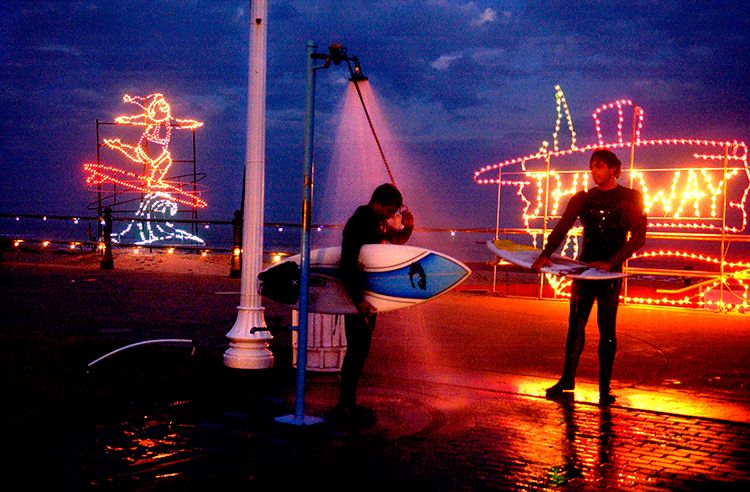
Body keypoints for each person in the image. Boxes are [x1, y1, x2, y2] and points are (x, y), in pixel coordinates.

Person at [531, 148, 647, 405]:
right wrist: (546, 254)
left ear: (614, 170)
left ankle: (604, 388)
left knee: (607, 328)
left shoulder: (630, 198)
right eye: (592, 166)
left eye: (600, 166)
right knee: (575, 325)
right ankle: (567, 380)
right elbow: (562, 226)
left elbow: (639, 237)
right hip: (584, 271)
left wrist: (612, 262)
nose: (594, 171)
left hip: (609, 275)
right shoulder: (584, 198)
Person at [337, 183, 415, 421]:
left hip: (368, 295)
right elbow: (347, 262)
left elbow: (397, 240)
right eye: (391, 210)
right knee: (356, 351)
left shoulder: (378, 221)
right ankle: (345, 406)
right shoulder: (360, 221)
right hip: (358, 296)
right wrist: (358, 300)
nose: (393, 216)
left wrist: (408, 226)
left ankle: (349, 403)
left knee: (361, 351)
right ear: (378, 203)